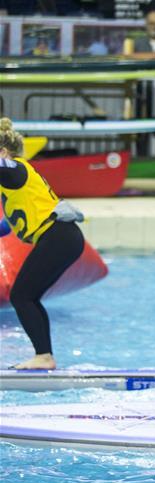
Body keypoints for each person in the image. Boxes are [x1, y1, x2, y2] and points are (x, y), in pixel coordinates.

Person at [0, 118, 85, 369]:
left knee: (22, 295)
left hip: (59, 236)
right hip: (62, 238)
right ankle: (44, 356)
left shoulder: (16, 169)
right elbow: (8, 226)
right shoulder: (13, 187)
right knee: (28, 296)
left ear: (4, 152)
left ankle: (44, 356)